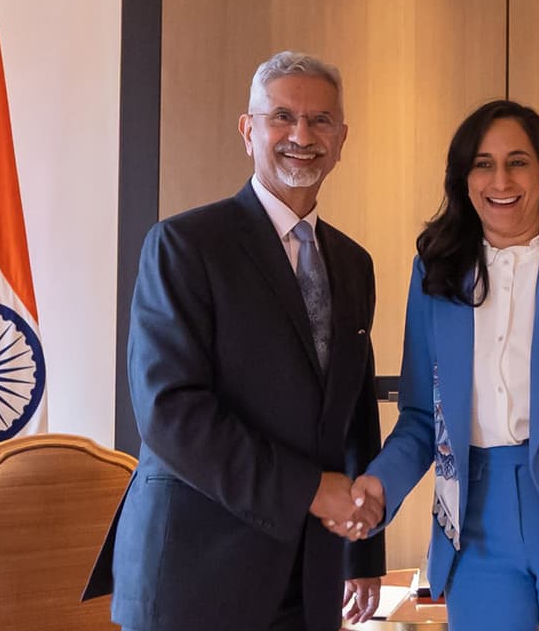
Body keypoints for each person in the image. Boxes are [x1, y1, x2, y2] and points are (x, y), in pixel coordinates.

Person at [84, 51, 386, 631]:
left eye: (321, 120)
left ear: (342, 138)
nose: (302, 134)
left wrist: (363, 549)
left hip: (313, 576)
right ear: (249, 131)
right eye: (282, 117)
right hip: (196, 575)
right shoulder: (184, 245)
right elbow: (170, 414)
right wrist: (308, 491)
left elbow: (353, 414)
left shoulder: (354, 264)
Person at [344, 100, 539, 630]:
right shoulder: (435, 276)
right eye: (483, 163)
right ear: (465, 180)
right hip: (474, 525)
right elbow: (422, 419)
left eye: (517, 161)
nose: (501, 179)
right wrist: (378, 486)